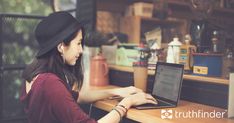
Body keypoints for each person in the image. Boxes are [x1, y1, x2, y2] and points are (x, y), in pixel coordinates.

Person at [20, 11, 157, 123]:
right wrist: (127, 102)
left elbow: (76, 97)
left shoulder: (35, 75)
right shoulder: (49, 83)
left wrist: (116, 92)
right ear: (61, 46)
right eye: (78, 43)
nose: (81, 50)